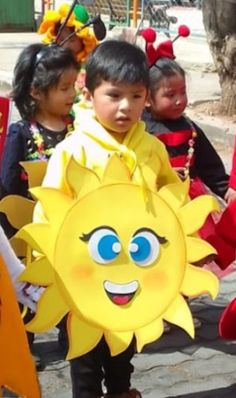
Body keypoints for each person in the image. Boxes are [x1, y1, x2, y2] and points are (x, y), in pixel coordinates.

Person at [33, 39, 180, 398]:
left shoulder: (152, 149)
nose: (125, 107)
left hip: (131, 278)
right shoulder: (73, 149)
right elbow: (48, 208)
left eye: (136, 96)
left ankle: (120, 390)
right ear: (89, 91)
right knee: (84, 361)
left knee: (122, 355)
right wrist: (42, 265)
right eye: (113, 95)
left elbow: (171, 196)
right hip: (82, 280)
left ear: (146, 96)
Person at [142, 57, 235, 241]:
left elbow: (210, 166)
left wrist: (226, 190)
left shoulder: (190, 129)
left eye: (182, 92)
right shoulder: (141, 130)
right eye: (170, 95)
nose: (179, 100)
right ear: (147, 99)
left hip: (189, 200)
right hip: (154, 202)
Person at [1, 42, 79, 200]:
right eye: (64, 88)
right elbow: (8, 190)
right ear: (36, 92)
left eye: (73, 85)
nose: (73, 93)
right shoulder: (21, 134)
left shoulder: (79, 126)